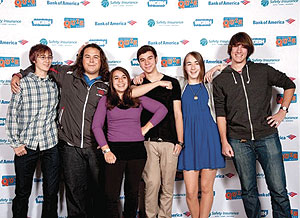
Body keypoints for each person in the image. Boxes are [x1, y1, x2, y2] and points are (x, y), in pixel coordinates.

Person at [11, 43, 109, 218]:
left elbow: (127, 92)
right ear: (80, 58)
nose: (91, 60)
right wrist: (18, 74)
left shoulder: (109, 82)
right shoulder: (67, 74)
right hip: (67, 146)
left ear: (102, 60)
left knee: (96, 192)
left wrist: (140, 79)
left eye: (96, 56)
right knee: (73, 193)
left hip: (93, 147)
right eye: (87, 56)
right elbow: (41, 66)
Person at [213, 32, 295, 218]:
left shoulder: (262, 70)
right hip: (238, 141)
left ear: (249, 50)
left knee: (278, 189)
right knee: (248, 192)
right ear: (230, 49)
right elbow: (220, 114)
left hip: (267, 136)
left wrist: (282, 111)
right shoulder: (220, 80)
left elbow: (289, 84)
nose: (239, 50)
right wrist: (224, 141)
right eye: (235, 46)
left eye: (243, 46)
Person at [92, 67, 167, 218]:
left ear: (128, 80)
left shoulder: (138, 99)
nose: (121, 81)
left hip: (137, 151)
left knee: (132, 194)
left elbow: (162, 109)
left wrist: (145, 128)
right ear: (111, 83)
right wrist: (106, 150)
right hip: (115, 151)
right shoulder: (105, 101)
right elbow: (96, 126)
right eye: (116, 78)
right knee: (111, 195)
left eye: (124, 77)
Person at [6, 44, 60, 218]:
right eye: (42, 57)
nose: (47, 60)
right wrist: (15, 143)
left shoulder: (55, 84)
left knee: (51, 193)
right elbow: (12, 114)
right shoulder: (22, 83)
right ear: (34, 60)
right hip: (26, 145)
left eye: (49, 57)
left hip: (50, 144)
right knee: (22, 192)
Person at [133, 45, 184, 218]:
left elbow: (178, 113)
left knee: (168, 186)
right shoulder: (136, 84)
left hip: (170, 141)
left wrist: (180, 141)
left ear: (156, 59)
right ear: (139, 63)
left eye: (149, 58)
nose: (146, 63)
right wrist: (155, 82)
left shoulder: (173, 82)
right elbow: (130, 94)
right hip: (147, 141)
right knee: (152, 184)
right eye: (142, 60)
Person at [177, 51, 225, 218]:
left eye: (196, 63)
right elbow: (156, 78)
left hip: (209, 139)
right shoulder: (179, 84)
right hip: (188, 141)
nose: (193, 67)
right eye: (189, 63)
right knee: (190, 192)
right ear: (184, 67)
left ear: (201, 65)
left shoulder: (210, 84)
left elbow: (236, 70)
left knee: (206, 189)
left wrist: (218, 67)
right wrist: (140, 76)